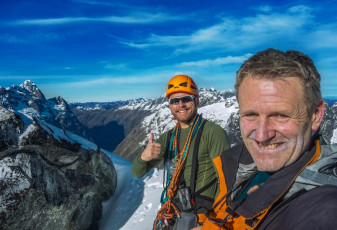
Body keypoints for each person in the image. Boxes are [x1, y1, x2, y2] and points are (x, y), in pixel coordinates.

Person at [201, 48, 337, 230]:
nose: (262, 135)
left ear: (315, 115)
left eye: (281, 115)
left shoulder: (322, 207)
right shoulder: (241, 163)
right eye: (250, 115)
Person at [132, 74, 230, 229]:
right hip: (174, 213)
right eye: (175, 101)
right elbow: (137, 172)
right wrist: (143, 158)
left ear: (196, 100)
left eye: (186, 99)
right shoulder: (169, 137)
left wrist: (211, 224)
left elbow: (227, 182)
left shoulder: (212, 133)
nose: (181, 104)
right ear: (169, 105)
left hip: (201, 216)